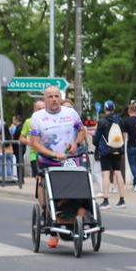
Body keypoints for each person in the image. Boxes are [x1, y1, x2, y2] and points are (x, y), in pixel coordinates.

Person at [29, 86, 86, 248]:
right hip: (48, 161)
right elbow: (34, 143)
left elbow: (81, 131)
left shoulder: (70, 113)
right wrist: (52, 154)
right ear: (45, 99)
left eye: (56, 96)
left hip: (69, 160)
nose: (54, 99)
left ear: (60, 98)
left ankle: (76, 217)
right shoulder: (37, 117)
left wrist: (75, 143)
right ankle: (52, 227)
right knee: (51, 194)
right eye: (50, 96)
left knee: (75, 192)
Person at [93, 100, 126, 209]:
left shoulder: (102, 121)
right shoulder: (120, 120)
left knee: (106, 174)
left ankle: (106, 201)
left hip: (105, 150)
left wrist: (95, 142)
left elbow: (96, 138)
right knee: (118, 172)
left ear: (105, 109)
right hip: (117, 148)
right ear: (114, 108)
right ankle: (122, 200)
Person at [20, 100, 46, 178]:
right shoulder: (29, 121)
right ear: (34, 110)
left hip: (49, 155)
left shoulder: (51, 119)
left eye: (43, 108)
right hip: (35, 155)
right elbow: (21, 138)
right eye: (39, 108)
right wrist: (31, 143)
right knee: (38, 178)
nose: (41, 110)